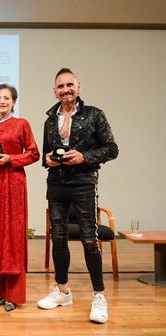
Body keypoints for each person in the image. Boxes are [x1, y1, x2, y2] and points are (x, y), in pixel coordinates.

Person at [38, 68, 119, 323]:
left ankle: (99, 296)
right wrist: (49, 160)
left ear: (78, 87)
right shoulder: (50, 120)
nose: (65, 90)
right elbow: (45, 156)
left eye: (69, 85)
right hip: (56, 185)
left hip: (84, 183)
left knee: (88, 240)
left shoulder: (95, 114)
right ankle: (63, 291)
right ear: (55, 91)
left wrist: (85, 156)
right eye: (60, 86)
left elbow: (112, 148)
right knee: (58, 238)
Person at [0, 84, 40, 312]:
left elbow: (33, 153)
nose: (2, 101)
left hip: (14, 183)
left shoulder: (21, 124)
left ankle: (13, 296)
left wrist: (10, 159)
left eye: (7, 98)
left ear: (13, 101)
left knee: (12, 237)